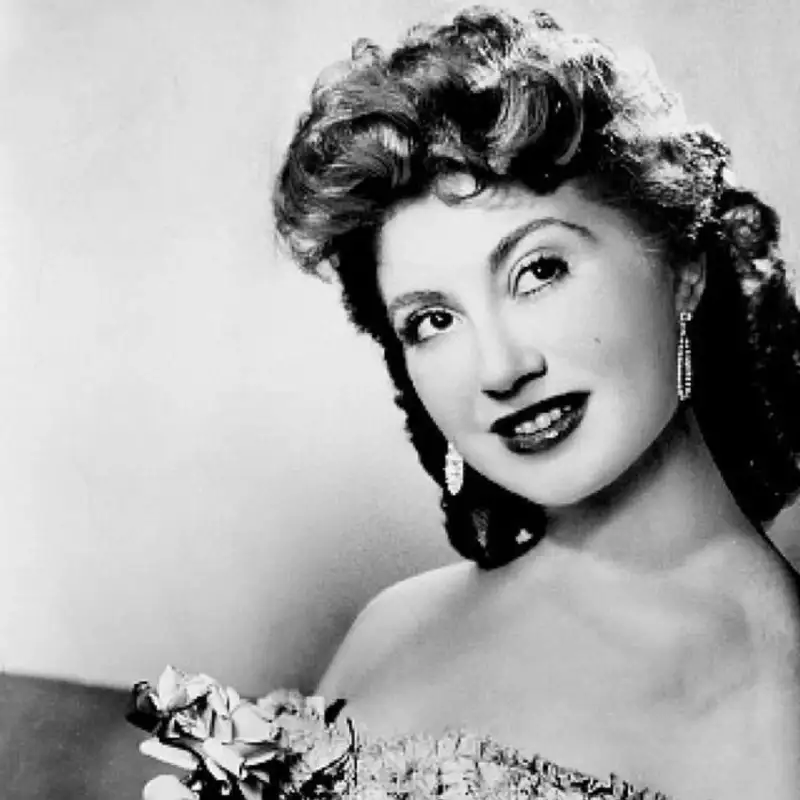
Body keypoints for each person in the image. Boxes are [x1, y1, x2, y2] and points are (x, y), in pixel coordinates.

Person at [143, 6, 800, 799]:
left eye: (539, 271)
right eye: (432, 320)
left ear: (682, 270)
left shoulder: (772, 698)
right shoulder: (393, 626)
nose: (500, 368)